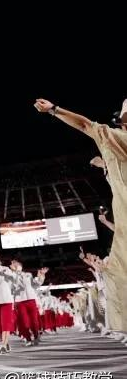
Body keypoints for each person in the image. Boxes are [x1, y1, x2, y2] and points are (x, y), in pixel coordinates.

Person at [35, 98, 127, 333]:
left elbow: (86, 125)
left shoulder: (118, 138)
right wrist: (105, 164)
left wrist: (54, 110)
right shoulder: (118, 147)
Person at [12, 261, 47, 346]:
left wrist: (41, 275)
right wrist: (15, 274)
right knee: (24, 322)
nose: (15, 265)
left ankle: (36, 336)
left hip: (31, 299)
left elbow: (36, 284)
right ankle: (27, 339)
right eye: (13, 264)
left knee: (34, 321)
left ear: (20, 265)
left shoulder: (28, 274)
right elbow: (11, 288)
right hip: (19, 301)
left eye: (16, 264)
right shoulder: (10, 276)